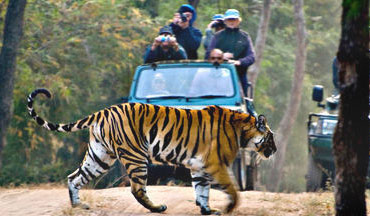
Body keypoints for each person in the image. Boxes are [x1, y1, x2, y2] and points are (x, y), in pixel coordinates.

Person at [205, 9, 255, 96]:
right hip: (217, 74)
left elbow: (251, 57)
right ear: (225, 21)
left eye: (234, 19)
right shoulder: (218, 36)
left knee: (245, 103)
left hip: (239, 75)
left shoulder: (244, 36)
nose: (231, 22)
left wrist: (239, 62)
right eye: (229, 19)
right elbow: (208, 54)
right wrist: (221, 56)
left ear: (238, 21)